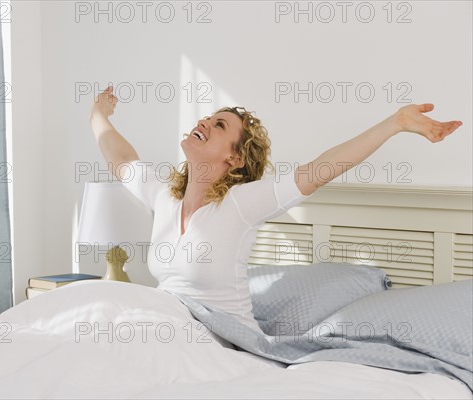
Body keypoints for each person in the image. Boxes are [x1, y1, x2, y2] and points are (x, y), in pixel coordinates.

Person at [89, 85, 462, 332]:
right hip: (168, 327)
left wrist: (394, 124)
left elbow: (320, 169)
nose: (204, 121)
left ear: (233, 158)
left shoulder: (239, 205)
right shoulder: (165, 197)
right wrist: (99, 115)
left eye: (219, 125)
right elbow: (120, 158)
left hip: (222, 345)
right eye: (208, 117)